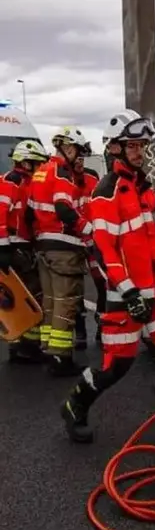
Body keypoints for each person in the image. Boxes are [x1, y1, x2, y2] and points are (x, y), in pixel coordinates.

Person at [60, 110, 155, 447]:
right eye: (132, 145)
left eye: (142, 145)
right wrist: (129, 292)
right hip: (127, 297)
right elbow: (105, 250)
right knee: (115, 367)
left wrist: (154, 212)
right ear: (115, 148)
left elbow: (144, 241)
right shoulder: (106, 193)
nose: (140, 151)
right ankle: (75, 406)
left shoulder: (143, 187)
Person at [28, 126, 93, 376]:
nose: (79, 157)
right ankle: (60, 357)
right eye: (78, 151)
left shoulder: (41, 172)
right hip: (64, 247)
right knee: (66, 304)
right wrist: (89, 229)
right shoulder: (62, 172)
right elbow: (64, 208)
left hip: (44, 246)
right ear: (68, 148)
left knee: (50, 302)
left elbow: (30, 212)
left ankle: (48, 350)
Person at [0, 139, 50, 364]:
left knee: (27, 295)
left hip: (22, 244)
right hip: (13, 245)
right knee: (29, 295)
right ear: (25, 162)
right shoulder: (11, 181)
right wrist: (3, 248)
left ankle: (25, 344)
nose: (39, 168)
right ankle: (24, 346)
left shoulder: (27, 182)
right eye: (36, 164)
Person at [73, 141, 104, 350]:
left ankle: (102, 325)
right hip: (72, 242)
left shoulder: (93, 177)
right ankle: (80, 332)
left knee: (102, 283)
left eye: (82, 159)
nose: (80, 163)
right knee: (75, 289)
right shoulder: (63, 178)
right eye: (77, 159)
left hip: (93, 241)